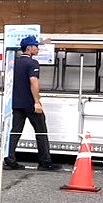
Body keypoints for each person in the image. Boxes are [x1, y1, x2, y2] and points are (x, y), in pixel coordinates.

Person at [5, 35, 61, 171]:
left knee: (15, 132)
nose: (38, 49)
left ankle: (9, 159)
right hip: (30, 103)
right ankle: (45, 162)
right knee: (41, 131)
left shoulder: (13, 62)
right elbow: (33, 82)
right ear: (29, 48)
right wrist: (37, 102)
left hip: (16, 103)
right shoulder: (32, 63)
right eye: (36, 46)